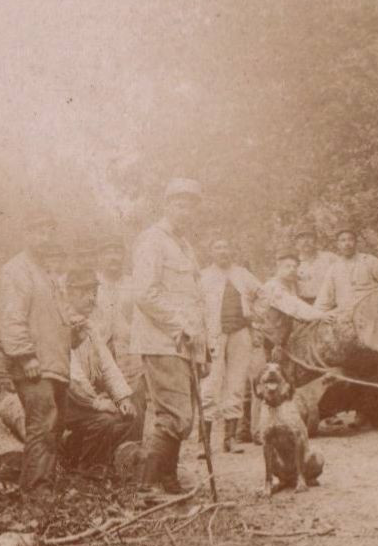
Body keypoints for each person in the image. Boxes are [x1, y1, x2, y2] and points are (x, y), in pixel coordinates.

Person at [131, 178, 210, 493]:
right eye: (180, 203)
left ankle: (167, 479)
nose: (186, 211)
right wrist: (180, 325)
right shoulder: (152, 240)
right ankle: (147, 486)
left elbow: (195, 300)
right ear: (166, 205)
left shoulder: (186, 247)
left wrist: (204, 343)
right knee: (176, 415)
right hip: (162, 341)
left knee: (180, 416)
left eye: (191, 205)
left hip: (184, 344)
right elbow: (144, 294)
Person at [0, 207, 72, 493]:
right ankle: (37, 495)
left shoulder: (46, 273)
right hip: (34, 364)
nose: (45, 236)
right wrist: (26, 355)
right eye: (38, 230)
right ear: (25, 234)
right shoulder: (16, 271)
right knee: (42, 425)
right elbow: (11, 318)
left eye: (49, 230)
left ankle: (41, 487)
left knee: (53, 428)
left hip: (53, 364)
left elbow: (55, 319)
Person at [62, 268, 142, 472]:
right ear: (70, 294)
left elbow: (107, 366)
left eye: (94, 293)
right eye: (84, 293)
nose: (91, 299)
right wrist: (97, 402)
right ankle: (89, 472)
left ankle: (112, 463)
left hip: (84, 397)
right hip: (66, 398)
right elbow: (72, 375)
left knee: (132, 414)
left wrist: (123, 398)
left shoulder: (89, 326)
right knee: (104, 420)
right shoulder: (61, 324)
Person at [199, 236, 263, 456]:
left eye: (226, 246)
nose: (222, 251)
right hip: (214, 335)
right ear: (211, 252)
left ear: (231, 250)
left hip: (240, 333)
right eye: (218, 247)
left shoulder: (242, 274)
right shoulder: (203, 277)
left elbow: (263, 295)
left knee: (236, 384)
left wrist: (254, 316)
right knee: (209, 385)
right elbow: (194, 303)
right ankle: (205, 443)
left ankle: (230, 439)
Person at [253, 251, 331, 392]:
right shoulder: (273, 286)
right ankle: (253, 412)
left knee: (278, 379)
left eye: (294, 267)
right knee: (260, 379)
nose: (291, 270)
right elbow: (293, 306)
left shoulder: (290, 285)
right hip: (262, 338)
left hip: (277, 339)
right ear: (278, 267)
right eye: (287, 266)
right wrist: (320, 315)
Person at [93, 239, 146, 422]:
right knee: (104, 409)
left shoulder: (134, 284)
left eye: (118, 252)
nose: (114, 257)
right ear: (100, 257)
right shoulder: (92, 283)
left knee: (135, 404)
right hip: (99, 355)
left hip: (130, 355)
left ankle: (134, 447)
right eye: (109, 252)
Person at [313, 229, 378, 314]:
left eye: (350, 239)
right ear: (338, 244)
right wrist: (315, 316)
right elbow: (324, 299)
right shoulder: (334, 269)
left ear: (356, 243)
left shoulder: (368, 261)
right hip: (347, 316)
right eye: (343, 240)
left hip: (372, 313)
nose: (347, 244)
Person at [293, 228, 339, 305]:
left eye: (309, 237)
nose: (306, 241)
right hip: (304, 304)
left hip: (329, 303)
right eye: (302, 237)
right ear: (296, 242)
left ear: (315, 240)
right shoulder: (293, 263)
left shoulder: (330, 258)